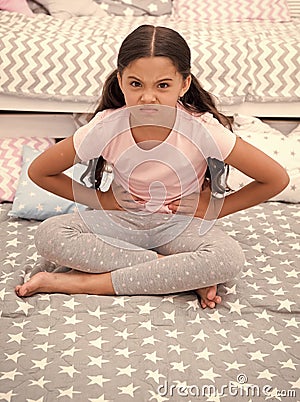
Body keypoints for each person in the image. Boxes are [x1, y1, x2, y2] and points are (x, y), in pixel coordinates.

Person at [15, 25, 289, 309]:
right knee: (50, 236)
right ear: (120, 81)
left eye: (162, 85)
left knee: (227, 258)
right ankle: (177, 272)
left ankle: (80, 283)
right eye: (136, 84)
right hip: (121, 224)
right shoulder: (107, 127)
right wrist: (102, 199)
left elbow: (275, 178)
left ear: (184, 84)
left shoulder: (202, 129)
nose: (148, 97)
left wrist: (213, 208)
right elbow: (40, 171)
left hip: (181, 227)